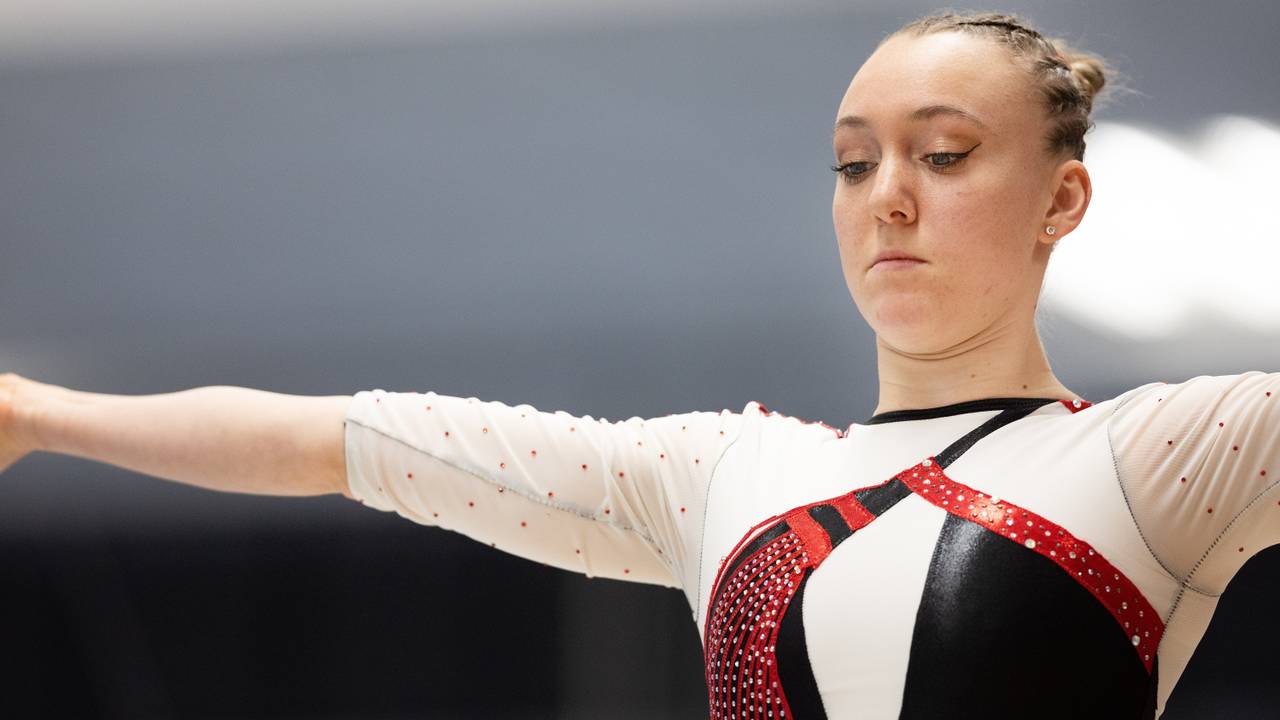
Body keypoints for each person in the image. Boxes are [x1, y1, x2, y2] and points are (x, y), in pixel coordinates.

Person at [0, 9, 1275, 719]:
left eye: (942, 156)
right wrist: (38, 412)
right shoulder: (717, 474)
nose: (886, 196)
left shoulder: (1162, 456)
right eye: (852, 162)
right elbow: (343, 442)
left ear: (1060, 199)